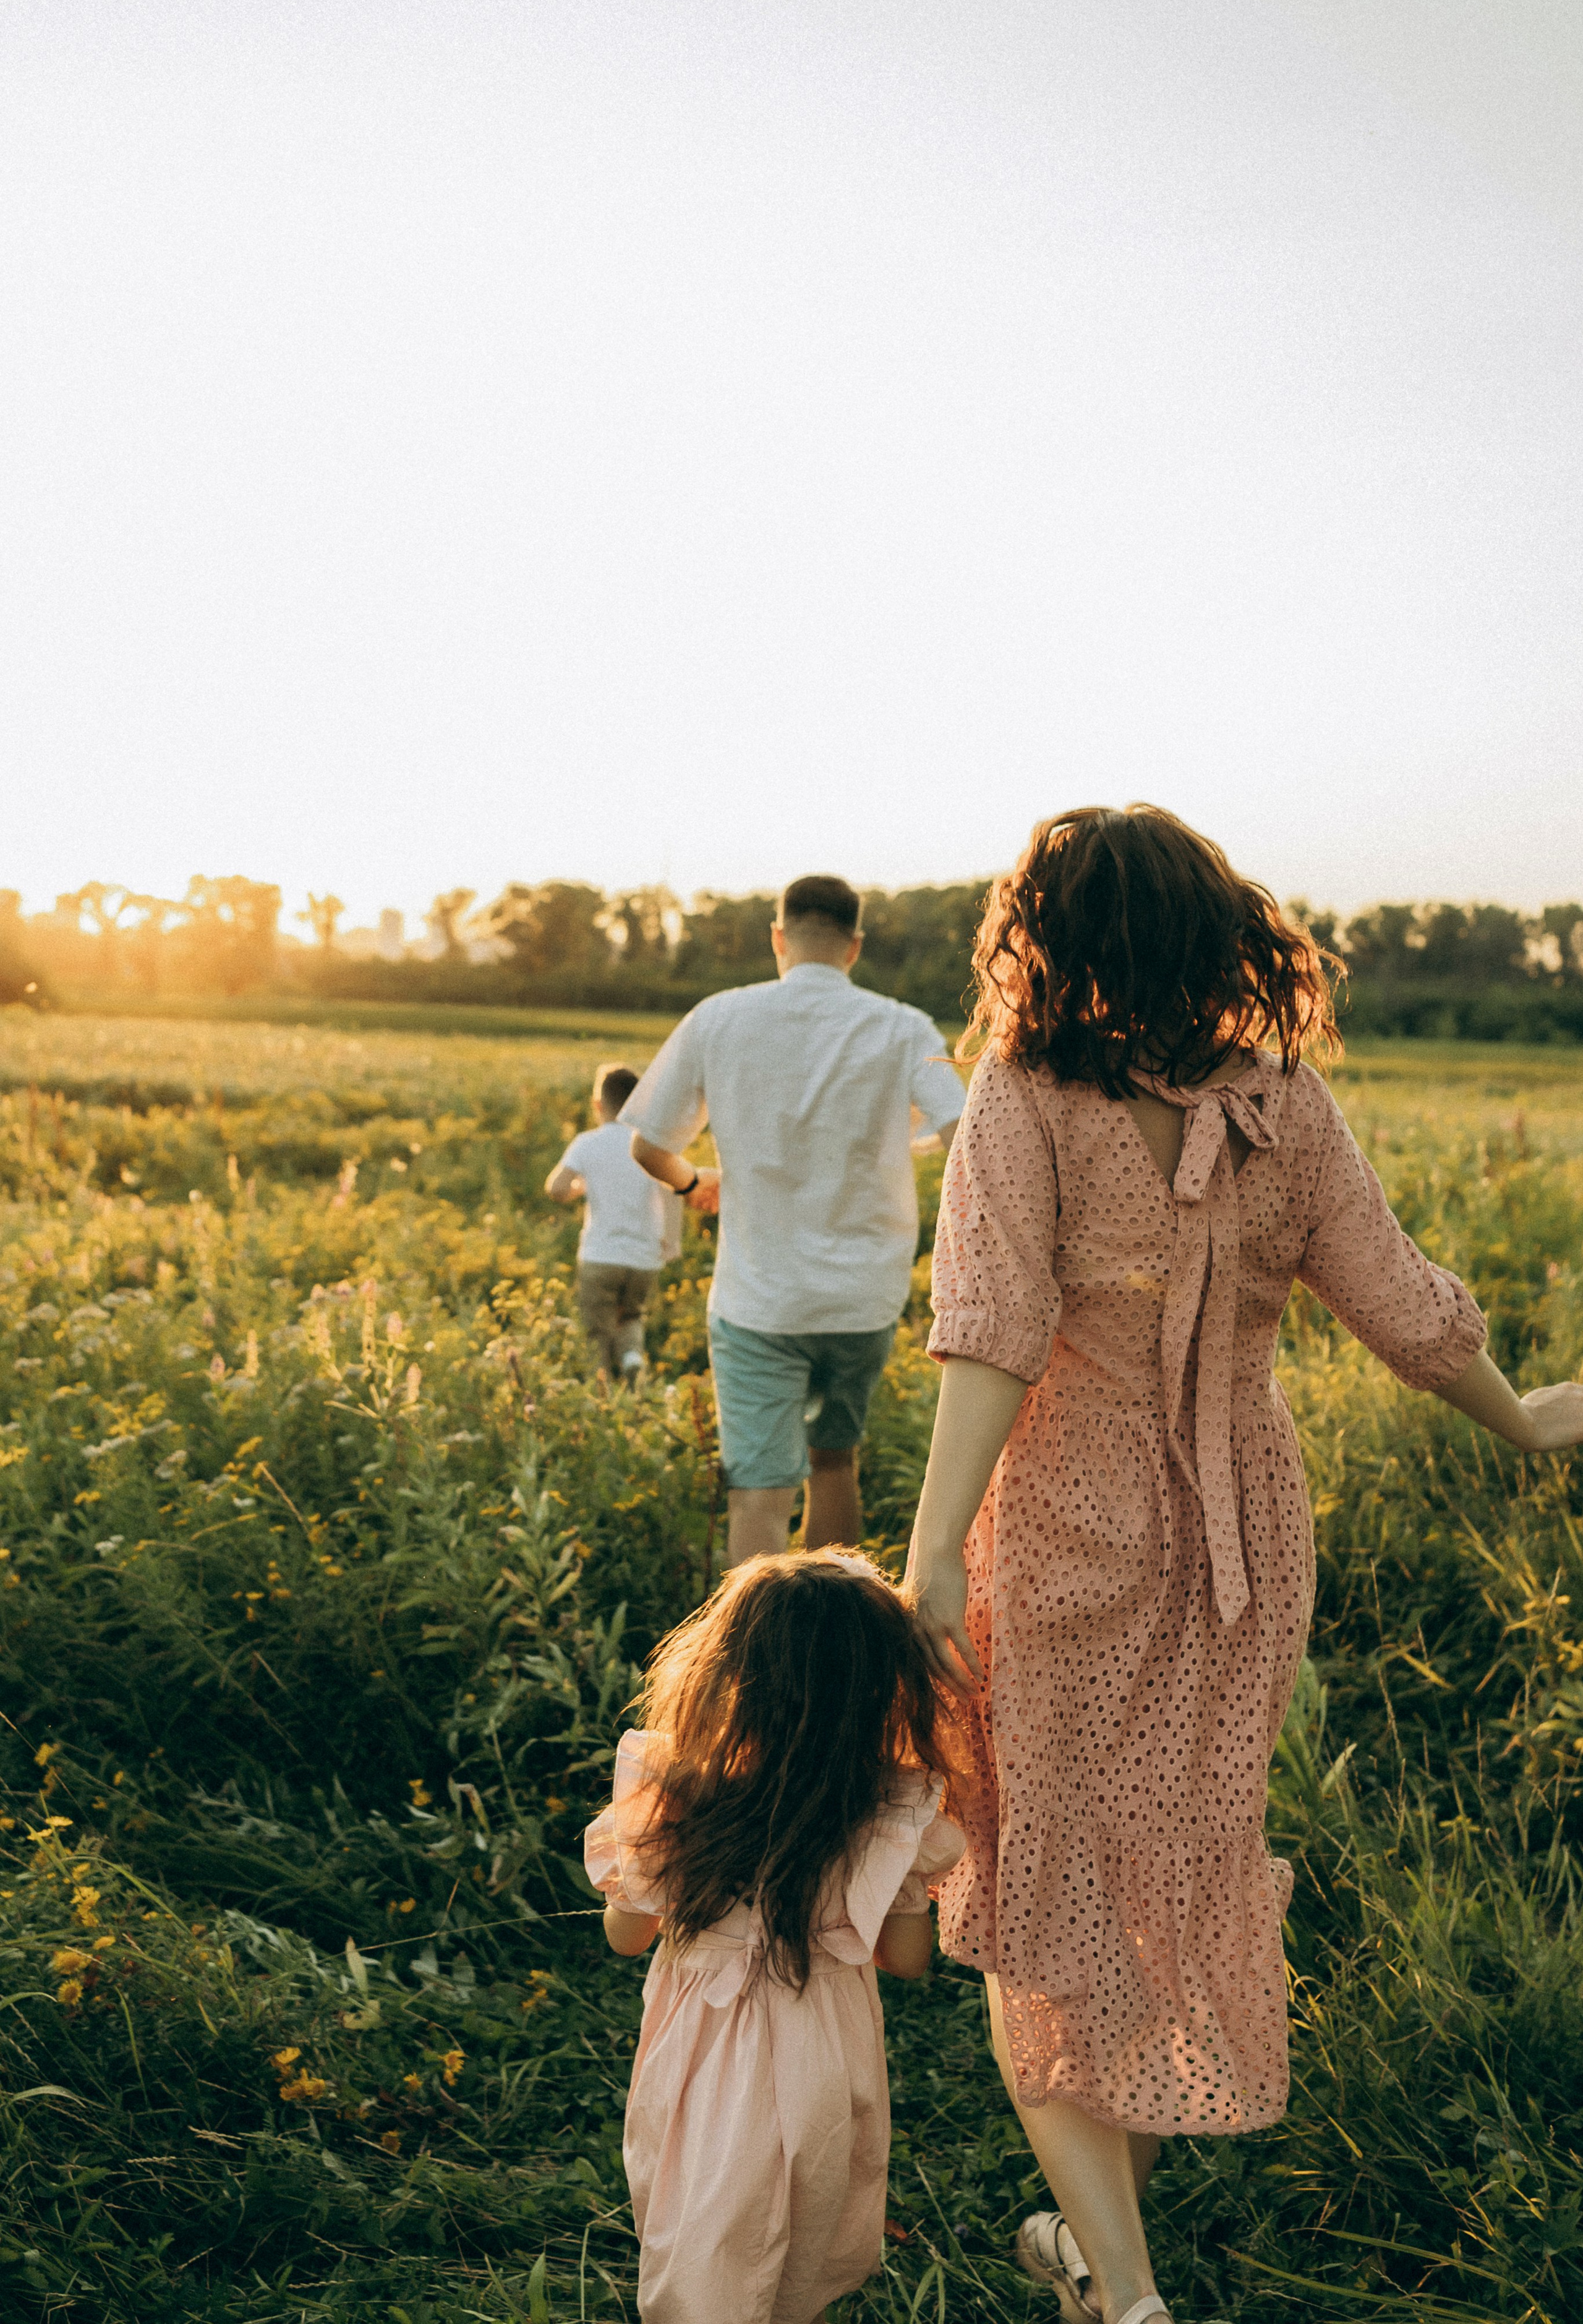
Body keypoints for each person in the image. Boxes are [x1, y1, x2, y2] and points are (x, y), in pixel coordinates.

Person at [903, 805, 1583, 2324]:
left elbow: (994, 1337)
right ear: (1219, 928)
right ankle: (1089, 2245)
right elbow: (1404, 1308)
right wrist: (1524, 1419)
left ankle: (1127, 2293)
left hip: (1074, 1524)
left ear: (1047, 938)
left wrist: (932, 1549)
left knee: (1051, 1869)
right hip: (1243, 1545)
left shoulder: (1018, 1096)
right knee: (1163, 1859)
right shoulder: (1288, 1103)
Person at [583, 1549, 965, 2324]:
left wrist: (638, 1882)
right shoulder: (886, 1812)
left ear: (726, 1670)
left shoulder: (678, 1792)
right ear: (879, 1688)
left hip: (702, 2053)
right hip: (820, 2053)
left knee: (705, 2212)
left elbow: (626, 1938)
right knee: (806, 2212)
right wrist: (903, 1896)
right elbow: (906, 1961)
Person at [620, 874, 966, 1564]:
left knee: (759, 1492)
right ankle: (835, 1633)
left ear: (777, 938)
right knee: (836, 1463)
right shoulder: (903, 1028)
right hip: (862, 1298)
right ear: (855, 947)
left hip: (758, 1301)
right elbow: (968, 1136)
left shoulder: (718, 1017)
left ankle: (760, 1659)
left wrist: (696, 1181)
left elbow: (649, 1145)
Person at [545, 1062, 681, 1386]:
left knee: (598, 1330)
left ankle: (602, 1393)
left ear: (598, 1105)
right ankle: (633, 1362)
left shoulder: (588, 1143)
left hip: (600, 1255)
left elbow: (556, 1188)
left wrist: (581, 1187)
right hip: (643, 1257)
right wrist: (672, 1240)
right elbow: (673, 1192)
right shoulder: (651, 1144)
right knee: (631, 1316)